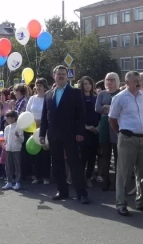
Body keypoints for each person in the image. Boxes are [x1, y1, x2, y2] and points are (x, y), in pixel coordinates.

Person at [40, 65, 90, 204]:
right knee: (57, 164)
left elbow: (81, 114)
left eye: (63, 73)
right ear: (54, 76)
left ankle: (82, 193)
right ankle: (62, 191)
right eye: (58, 74)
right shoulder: (49, 94)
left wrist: (80, 132)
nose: (61, 76)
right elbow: (45, 115)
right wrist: (42, 134)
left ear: (67, 76)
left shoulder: (75, 92)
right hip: (54, 135)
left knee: (75, 164)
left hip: (71, 135)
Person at [109, 71, 143, 216]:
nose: (138, 83)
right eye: (135, 81)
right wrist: (121, 133)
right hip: (127, 139)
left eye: (139, 80)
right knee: (124, 172)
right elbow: (112, 119)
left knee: (142, 172)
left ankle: (142, 201)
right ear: (127, 83)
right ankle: (121, 203)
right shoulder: (119, 98)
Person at [2, 111, 24, 190]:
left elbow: (22, 140)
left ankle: (17, 182)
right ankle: (9, 182)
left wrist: (18, 136)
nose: (7, 119)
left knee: (17, 166)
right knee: (8, 166)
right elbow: (5, 139)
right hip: (8, 149)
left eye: (8, 118)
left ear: (13, 118)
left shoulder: (19, 127)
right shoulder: (7, 128)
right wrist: (2, 142)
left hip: (16, 149)